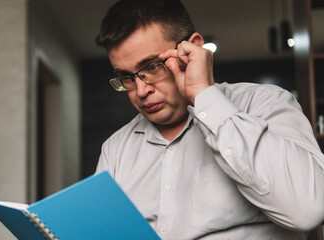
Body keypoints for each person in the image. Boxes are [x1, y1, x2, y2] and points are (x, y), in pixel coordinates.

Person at [94, 0, 324, 239]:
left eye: (152, 66)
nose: (141, 91)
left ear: (191, 50)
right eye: (126, 77)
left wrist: (203, 95)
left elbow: (307, 211)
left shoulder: (263, 103)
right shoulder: (115, 149)